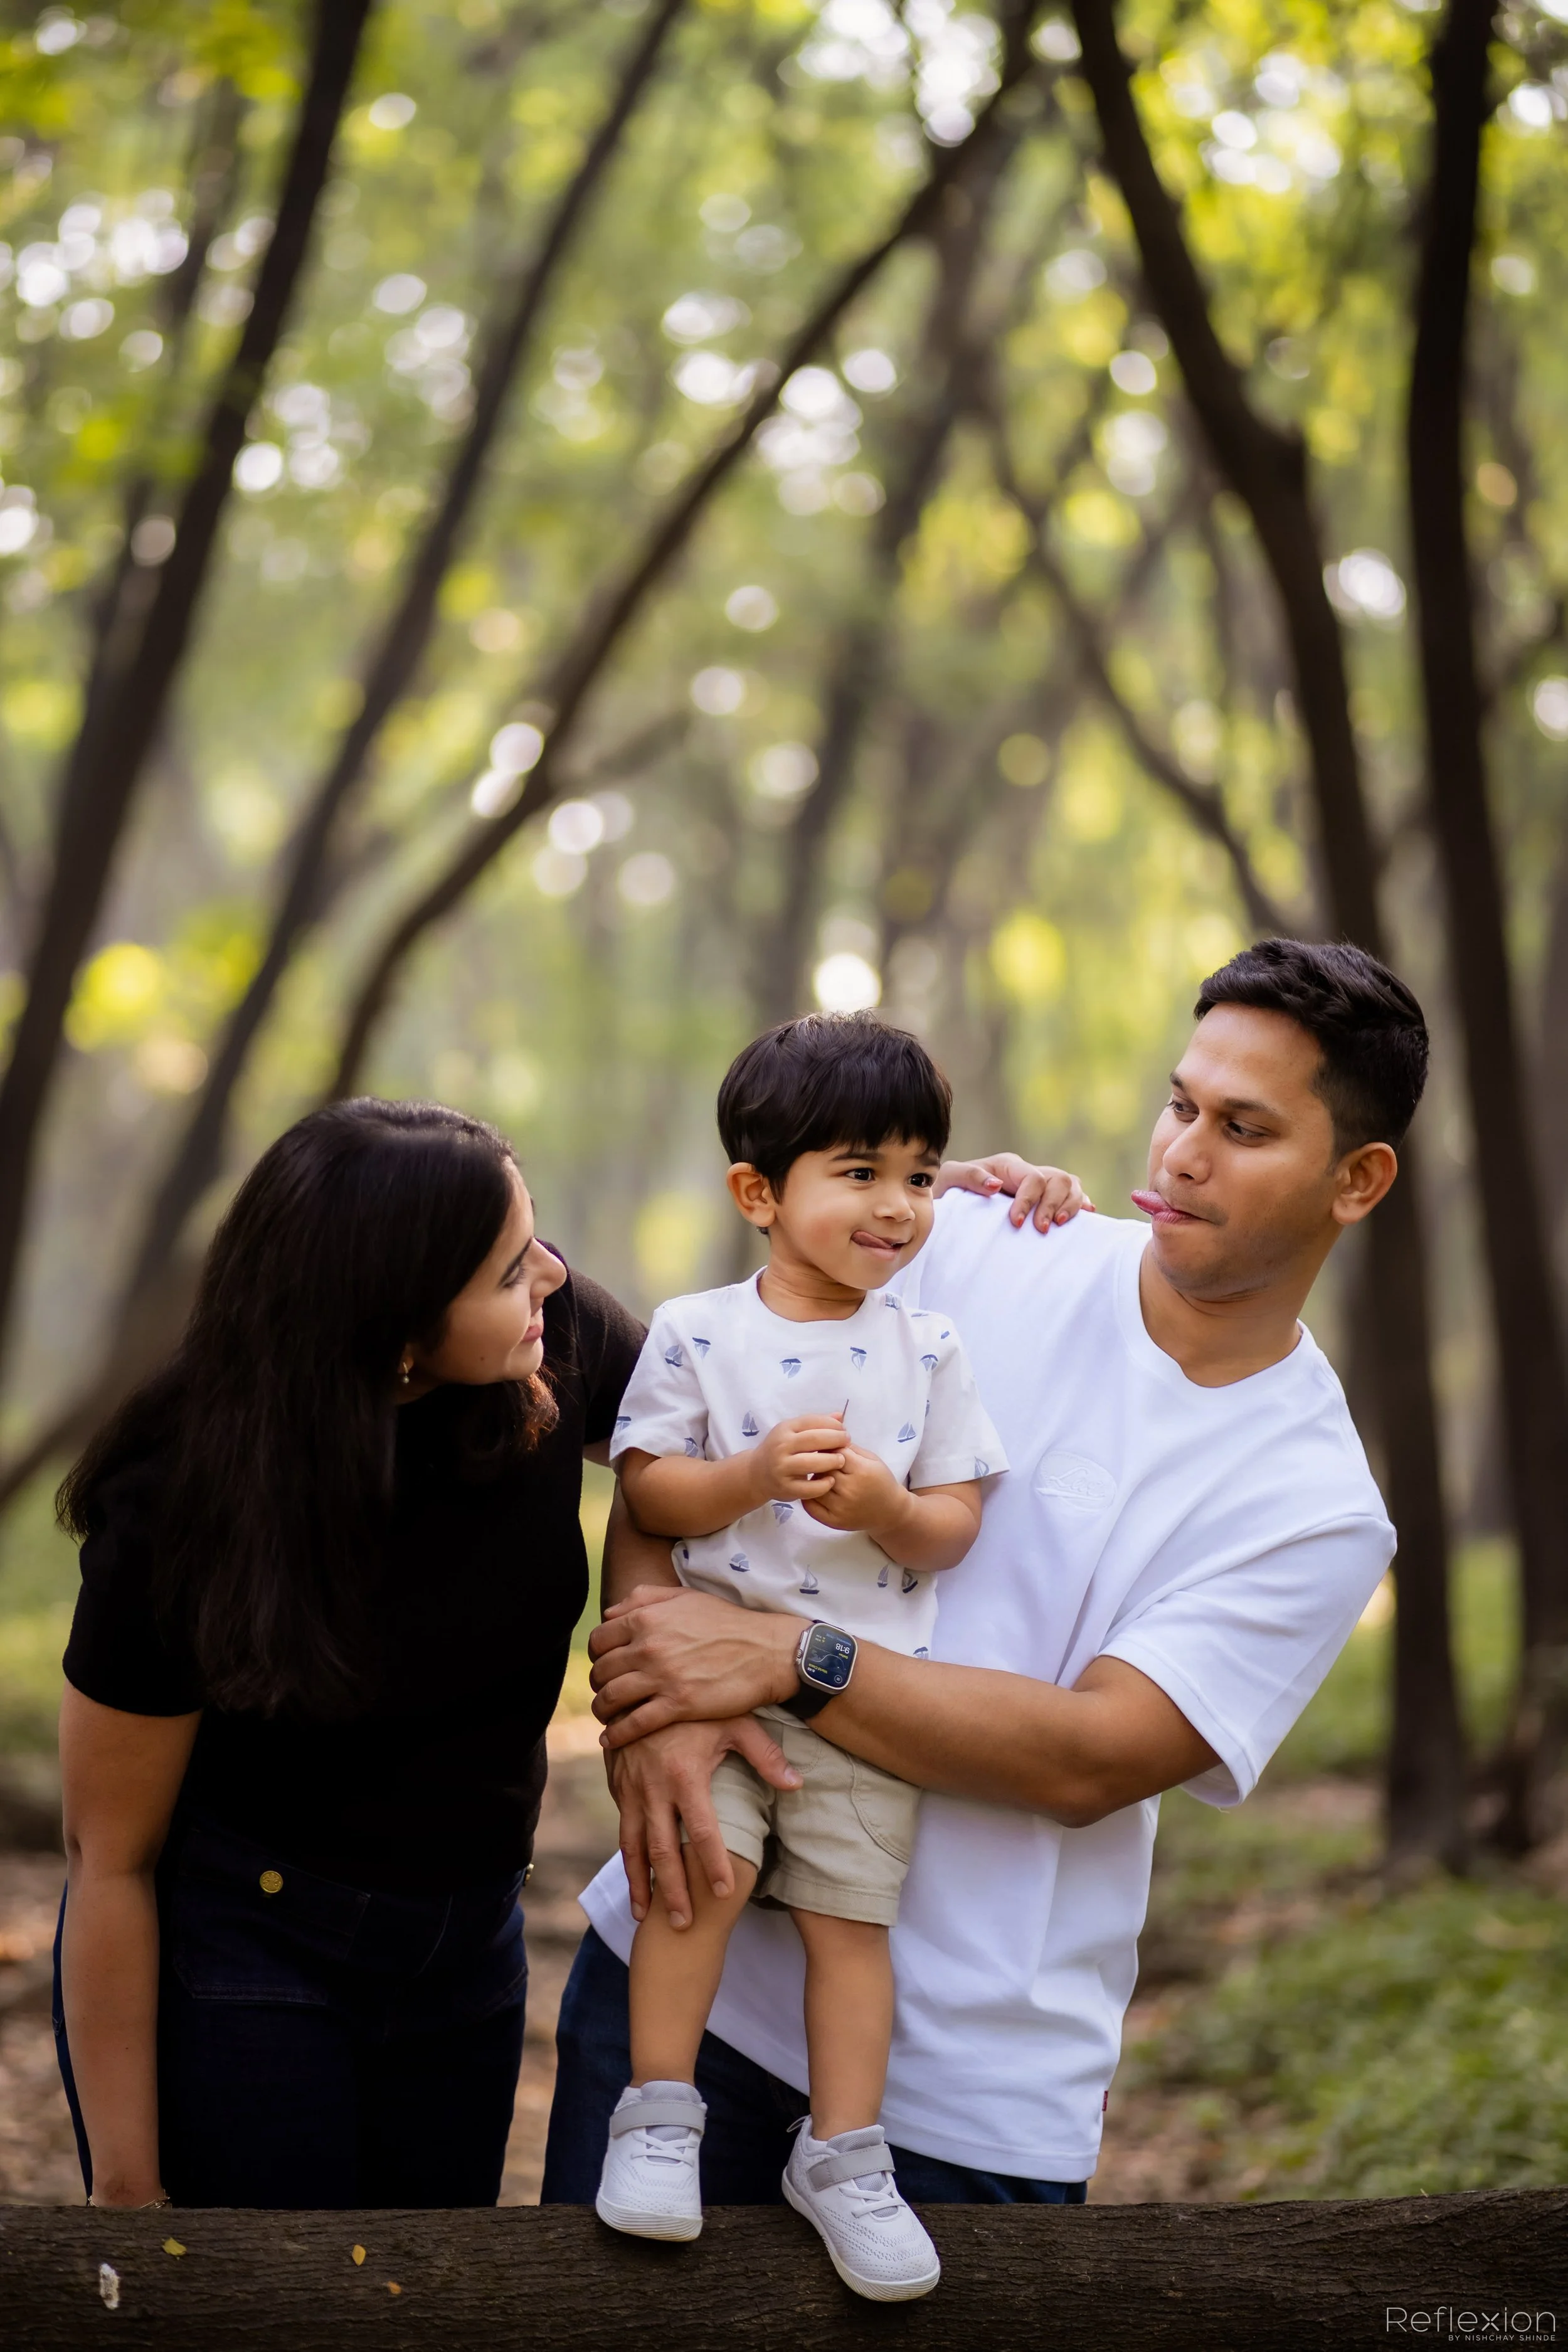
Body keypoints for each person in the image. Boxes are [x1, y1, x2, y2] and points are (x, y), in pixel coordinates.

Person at [544, 937, 1414, 2209]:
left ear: (1356, 1179)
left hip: (959, 2105)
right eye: (1180, 1103)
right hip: (684, 1988)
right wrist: (649, 1712)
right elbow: (677, 1447)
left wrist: (791, 1661)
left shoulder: (1314, 1502)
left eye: (1241, 1127)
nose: (1179, 1151)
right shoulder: (969, 1243)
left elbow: (1087, 1759)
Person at [51, 1096, 696, 2210]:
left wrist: (890, 1209)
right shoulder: (179, 1498)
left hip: (471, 1948)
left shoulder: (559, 1337)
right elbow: (105, 1857)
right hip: (254, 1947)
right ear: (395, 1331)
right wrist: (128, 2187)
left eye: (536, 1239)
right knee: (278, 2306)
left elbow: (743, 1405)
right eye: (505, 1271)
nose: (548, 1272)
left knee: (418, 2297)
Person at [596, 1015, 1006, 2299]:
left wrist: (883, 1508)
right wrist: (749, 1476)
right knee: (695, 1885)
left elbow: (951, 1527)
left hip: (858, 1700)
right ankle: (658, 2117)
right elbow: (650, 1495)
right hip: (714, 1695)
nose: (896, 1206)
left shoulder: (926, 1347)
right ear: (758, 1194)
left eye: (919, 1175)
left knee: (849, 1929)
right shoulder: (696, 1330)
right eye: (859, 1171)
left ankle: (841, 2156)